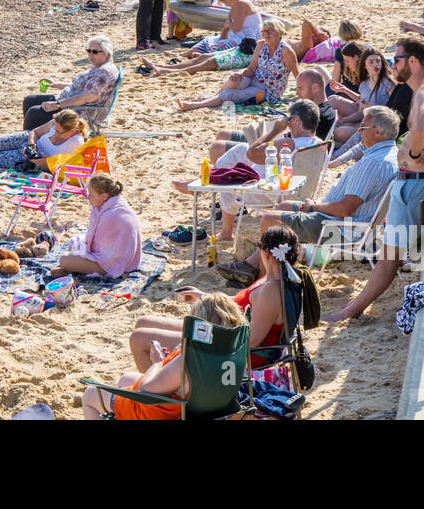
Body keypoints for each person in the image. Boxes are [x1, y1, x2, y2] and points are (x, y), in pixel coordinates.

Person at [326, 34, 424, 322]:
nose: (391, 64)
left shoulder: (421, 92)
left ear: (413, 61)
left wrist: (413, 151)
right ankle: (353, 308)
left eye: (396, 59)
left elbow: (420, 130)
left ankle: (351, 310)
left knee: (389, 257)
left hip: (414, 185)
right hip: (420, 181)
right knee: (393, 254)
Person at [216, 106, 400, 285]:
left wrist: (314, 206)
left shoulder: (372, 163)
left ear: (378, 133)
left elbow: (346, 207)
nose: (358, 132)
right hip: (353, 223)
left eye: (363, 127)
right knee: (283, 207)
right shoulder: (391, 155)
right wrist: (316, 204)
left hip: (339, 228)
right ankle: (253, 266)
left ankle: (263, 279)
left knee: (270, 219)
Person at [122, 225, 294, 382]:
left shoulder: (271, 290)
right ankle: (166, 383)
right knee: (142, 322)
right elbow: (242, 311)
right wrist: (204, 298)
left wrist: (211, 333)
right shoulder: (276, 278)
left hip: (232, 348)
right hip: (225, 328)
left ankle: (160, 395)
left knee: (139, 339)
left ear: (268, 254)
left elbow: (252, 341)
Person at [82, 292, 248, 420]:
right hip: (194, 408)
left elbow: (146, 388)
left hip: (159, 412)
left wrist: (157, 362)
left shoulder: (189, 360)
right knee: (126, 378)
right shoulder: (231, 354)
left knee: (90, 394)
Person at [183, 100, 323, 241]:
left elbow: (252, 153)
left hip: (276, 194)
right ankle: (204, 180)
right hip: (302, 191)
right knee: (240, 149)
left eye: (289, 119)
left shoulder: (291, 145)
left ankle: (226, 233)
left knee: (229, 187)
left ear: (297, 120)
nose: (288, 124)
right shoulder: (321, 144)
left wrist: (276, 130)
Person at [174, 19, 300, 111]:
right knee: (233, 80)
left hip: (268, 91)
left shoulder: (286, 51)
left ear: (278, 32)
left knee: (229, 94)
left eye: (269, 31)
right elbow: (251, 69)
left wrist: (297, 96)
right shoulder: (261, 45)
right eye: (263, 31)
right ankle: (212, 98)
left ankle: (193, 105)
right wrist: (240, 73)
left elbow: (298, 76)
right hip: (254, 78)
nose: (265, 34)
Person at [50, 173, 141, 280]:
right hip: (125, 259)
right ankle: (74, 267)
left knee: (64, 260)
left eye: (91, 194)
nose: (88, 197)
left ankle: (74, 268)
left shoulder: (110, 215)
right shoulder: (116, 204)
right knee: (76, 240)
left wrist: (74, 260)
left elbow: (95, 249)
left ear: (104, 196)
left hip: (115, 264)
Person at [23, 35, 119, 130]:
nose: (90, 54)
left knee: (33, 113)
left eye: (95, 52)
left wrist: (56, 105)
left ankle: (32, 141)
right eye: (88, 51)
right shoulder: (98, 66)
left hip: (78, 113)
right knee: (30, 100)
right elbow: (80, 87)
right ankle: (37, 136)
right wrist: (56, 84)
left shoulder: (103, 73)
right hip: (69, 103)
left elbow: (86, 98)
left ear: (107, 54)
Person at [329, 46, 393, 142]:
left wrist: (371, 108)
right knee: (341, 126)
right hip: (365, 121)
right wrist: (344, 120)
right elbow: (360, 113)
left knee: (340, 132)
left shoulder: (388, 83)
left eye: (378, 61)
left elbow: (394, 111)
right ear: (364, 65)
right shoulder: (364, 84)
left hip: (379, 126)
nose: (376, 64)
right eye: (371, 62)